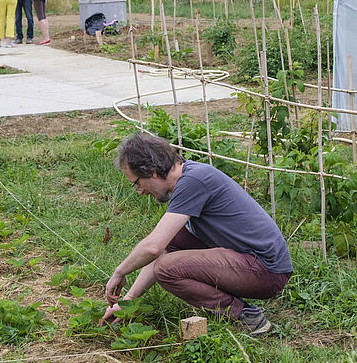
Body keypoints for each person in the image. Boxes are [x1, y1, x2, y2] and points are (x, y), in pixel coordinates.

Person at [99, 133, 292, 336]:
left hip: (267, 271)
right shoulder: (190, 176)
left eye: (137, 183)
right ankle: (239, 310)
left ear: (152, 171)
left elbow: (153, 246)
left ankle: (246, 315)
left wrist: (120, 272)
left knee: (167, 269)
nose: (139, 191)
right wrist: (128, 301)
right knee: (174, 240)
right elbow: (163, 247)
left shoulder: (194, 181)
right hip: (255, 264)